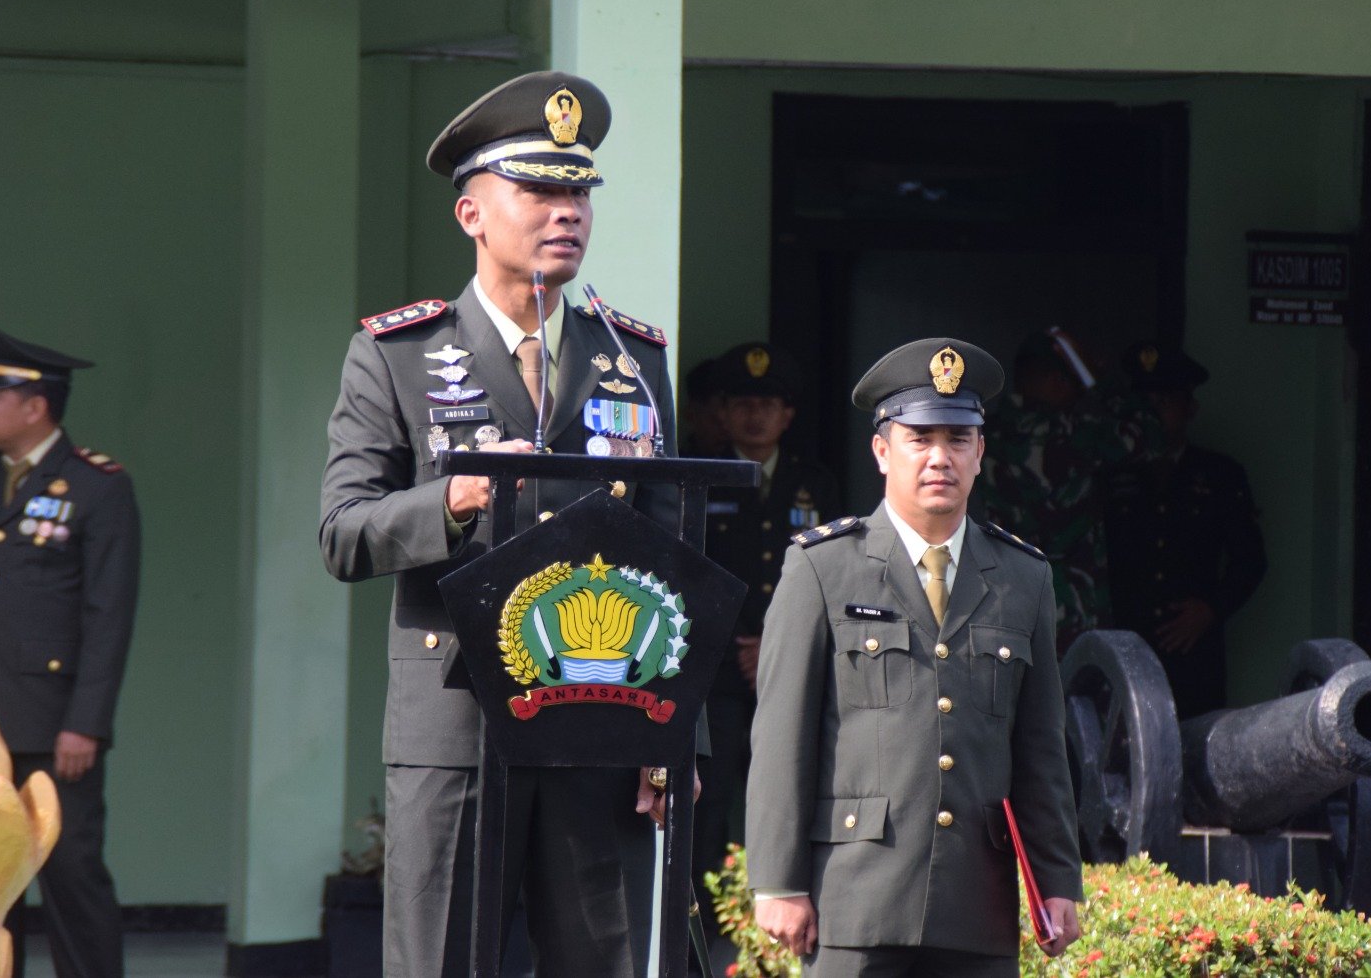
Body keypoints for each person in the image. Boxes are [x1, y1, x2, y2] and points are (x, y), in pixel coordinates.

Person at [319, 71, 683, 978]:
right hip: (454, 723)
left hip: (598, 713)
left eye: (579, 192)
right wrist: (455, 499)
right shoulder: (400, 352)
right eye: (540, 190)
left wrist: (672, 739)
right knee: (442, 961)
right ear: (472, 214)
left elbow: (674, 558)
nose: (567, 212)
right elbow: (344, 530)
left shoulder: (629, 358)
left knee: (595, 961)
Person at [747, 337, 1082, 977]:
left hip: (975, 903)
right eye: (919, 439)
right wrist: (777, 880)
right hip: (855, 895)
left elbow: (1042, 749)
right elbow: (782, 734)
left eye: (958, 440)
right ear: (881, 450)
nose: (940, 458)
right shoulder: (822, 567)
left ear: (980, 453)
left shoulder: (1023, 578)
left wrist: (1057, 878)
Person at [0, 324, 138, 978]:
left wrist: (86, 723)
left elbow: (109, 617)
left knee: (71, 881)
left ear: (35, 403)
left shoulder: (97, 487)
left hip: (53, 728)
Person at [693, 342, 840, 956]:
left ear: (788, 414)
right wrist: (741, 649)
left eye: (768, 404)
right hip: (718, 675)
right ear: (724, 413)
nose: (755, 416)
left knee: (795, 792)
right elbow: (686, 576)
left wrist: (775, 647)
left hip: (796, 671)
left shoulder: (817, 483)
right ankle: (702, 931)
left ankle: (790, 928)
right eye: (742, 404)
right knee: (713, 797)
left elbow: (836, 575)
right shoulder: (699, 476)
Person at [1102, 342, 1267, 718]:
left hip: (1193, 653)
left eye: (1165, 402)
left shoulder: (1220, 474)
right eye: (1144, 404)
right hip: (1124, 638)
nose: (1154, 414)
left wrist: (1211, 609)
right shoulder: (1110, 473)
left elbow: (1251, 560)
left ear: (1189, 408)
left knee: (1194, 753)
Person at [974, 329, 1163, 652]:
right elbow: (1150, 432)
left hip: (1007, 609)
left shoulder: (983, 434)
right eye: (1073, 382)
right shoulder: (1084, 431)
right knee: (1083, 700)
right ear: (1060, 381)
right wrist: (1097, 378)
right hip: (1078, 610)